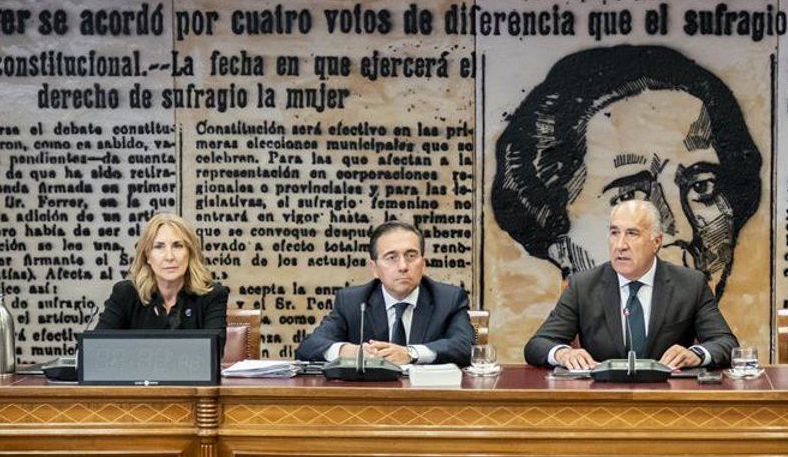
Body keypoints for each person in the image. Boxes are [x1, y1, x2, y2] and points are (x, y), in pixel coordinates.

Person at [492, 44, 763, 297]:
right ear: (558, 240)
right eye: (631, 195)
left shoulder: (717, 337)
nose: (681, 231)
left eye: (701, 187)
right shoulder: (559, 334)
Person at [522, 198, 738, 370]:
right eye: (614, 233)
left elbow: (726, 343)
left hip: (669, 402)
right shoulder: (583, 286)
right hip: (600, 402)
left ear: (656, 242)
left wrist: (696, 355)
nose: (620, 245)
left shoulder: (690, 284)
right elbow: (537, 344)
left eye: (632, 234)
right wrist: (563, 353)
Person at [295, 220, 475, 366]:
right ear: (374, 269)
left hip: (428, 401)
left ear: (423, 264)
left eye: (411, 256)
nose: (403, 266)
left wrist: (410, 353)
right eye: (392, 257)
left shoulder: (449, 299)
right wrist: (346, 351)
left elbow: (466, 347)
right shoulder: (353, 301)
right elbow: (308, 347)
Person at [95, 212, 230, 331]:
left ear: (190, 253)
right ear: (147, 256)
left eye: (178, 246)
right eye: (159, 247)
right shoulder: (125, 294)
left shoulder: (213, 296)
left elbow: (213, 351)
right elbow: (97, 349)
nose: (169, 257)